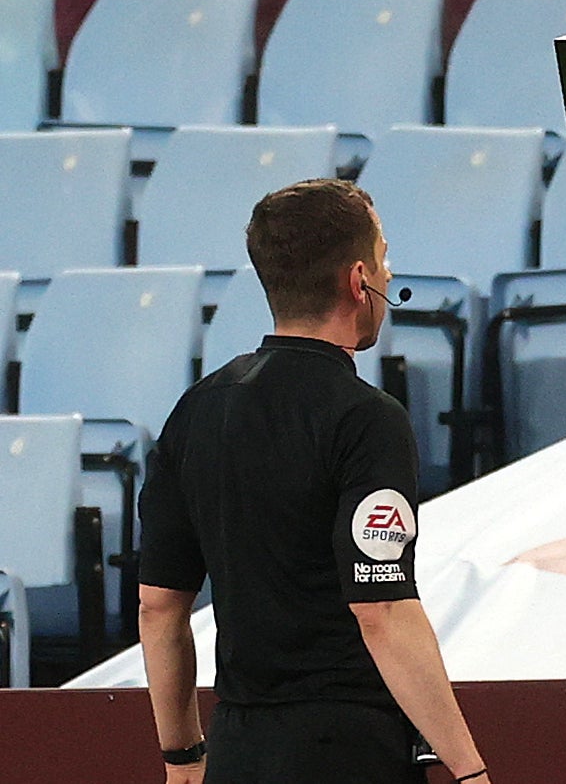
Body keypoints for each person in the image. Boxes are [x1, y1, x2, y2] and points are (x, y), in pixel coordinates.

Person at [137, 178, 490, 784]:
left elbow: (159, 607)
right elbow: (380, 608)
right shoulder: (366, 418)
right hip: (347, 748)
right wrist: (469, 770)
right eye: (384, 262)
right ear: (359, 281)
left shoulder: (196, 407)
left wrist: (183, 759)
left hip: (238, 748)